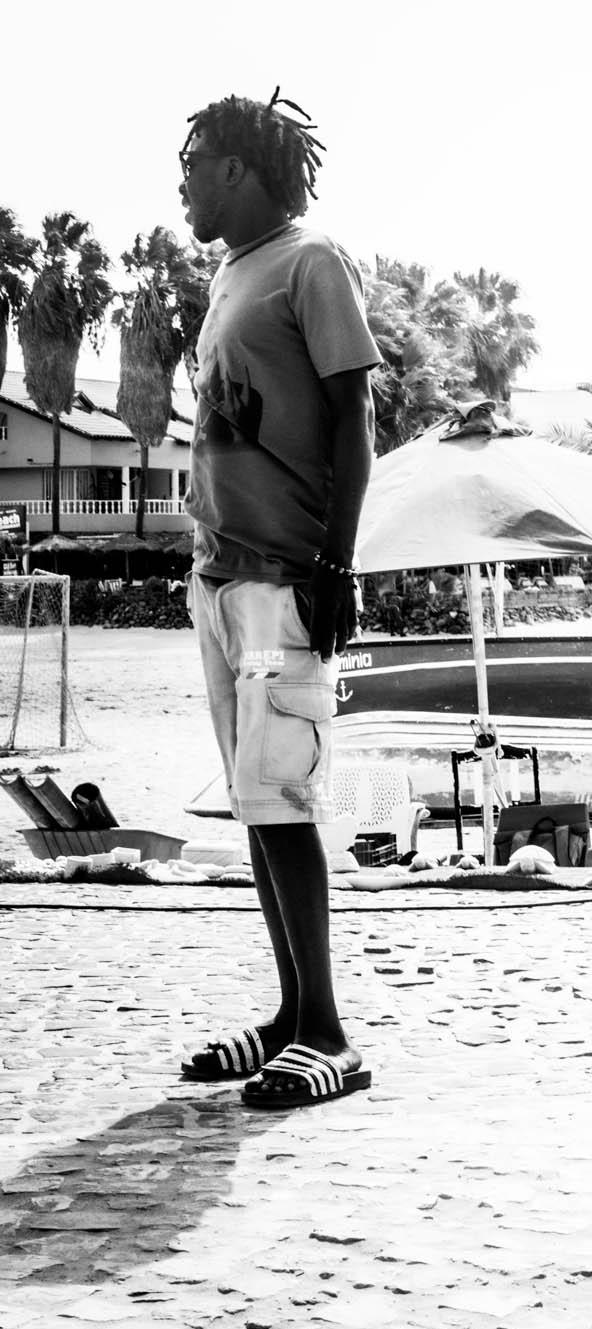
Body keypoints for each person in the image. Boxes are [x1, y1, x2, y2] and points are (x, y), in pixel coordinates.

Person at [172, 89, 379, 1108]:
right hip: (218, 575)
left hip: (285, 577)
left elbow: (354, 415)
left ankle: (329, 1032)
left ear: (239, 169)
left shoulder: (310, 262)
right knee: (256, 806)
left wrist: (336, 564)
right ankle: (289, 1017)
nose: (181, 183)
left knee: (284, 799)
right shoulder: (229, 273)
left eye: (193, 161)